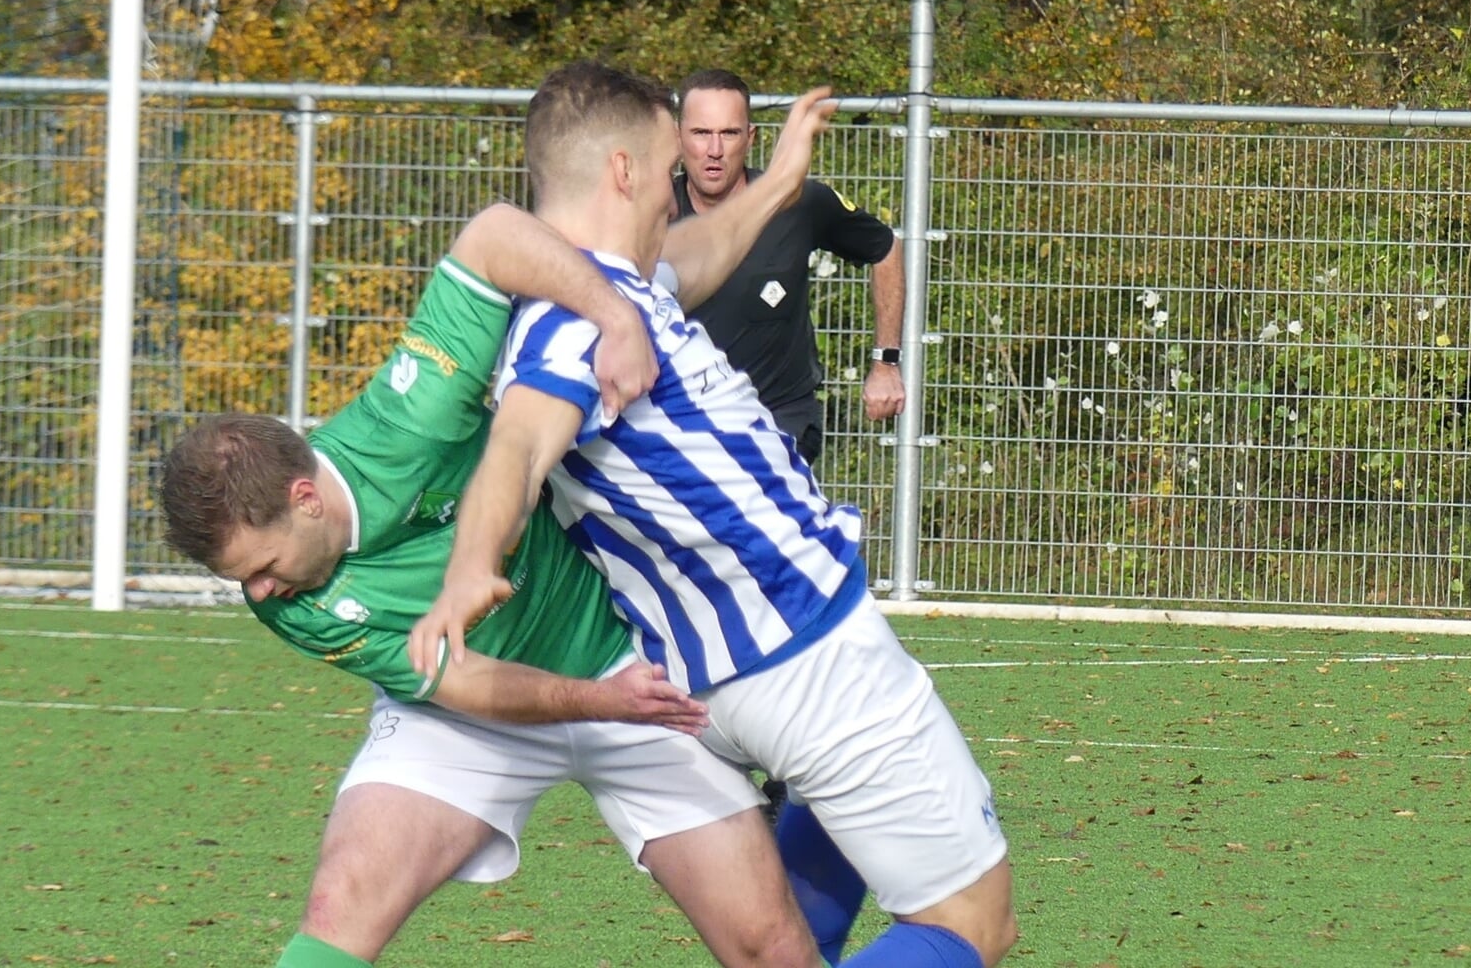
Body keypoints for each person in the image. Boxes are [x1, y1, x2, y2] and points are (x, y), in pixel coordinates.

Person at [159, 91, 840, 968]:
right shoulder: (285, 601)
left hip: (633, 665)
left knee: (769, 946)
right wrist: (593, 702)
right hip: (472, 715)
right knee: (339, 907)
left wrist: (625, 312)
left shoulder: (408, 419)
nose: (260, 594)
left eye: (262, 566)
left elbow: (495, 235)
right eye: (243, 581)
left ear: (305, 496)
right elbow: (465, 686)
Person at [413, 61, 1018, 968]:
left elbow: (697, 255)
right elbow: (520, 446)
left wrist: (779, 184)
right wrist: (471, 566)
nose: (678, 191)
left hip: (731, 671)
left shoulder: (610, 290)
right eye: (668, 167)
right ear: (624, 171)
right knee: (971, 924)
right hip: (804, 652)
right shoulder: (575, 328)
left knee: (802, 911)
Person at [672, 68, 906, 464]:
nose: (714, 149)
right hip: (679, 426)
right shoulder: (648, 214)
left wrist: (886, 363)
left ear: (750, 138)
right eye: (701, 133)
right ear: (678, 138)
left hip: (777, 423)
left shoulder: (798, 203)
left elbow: (885, 249)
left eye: (729, 133)